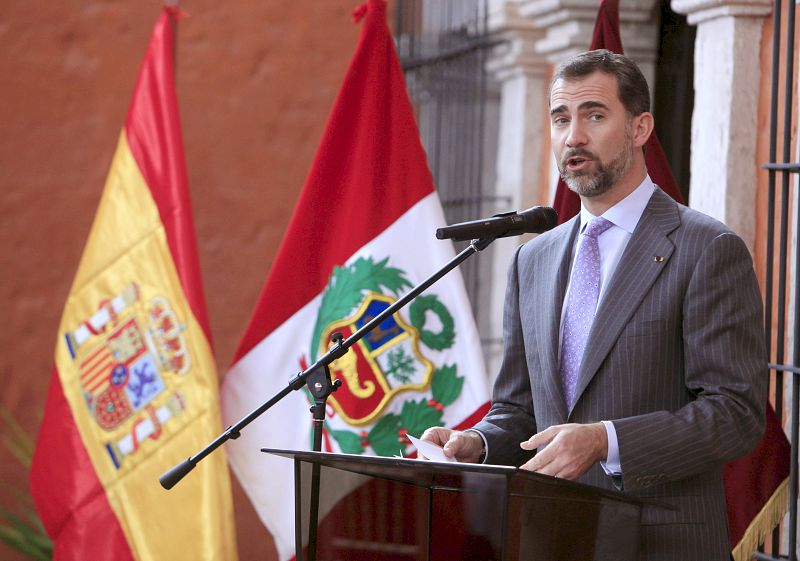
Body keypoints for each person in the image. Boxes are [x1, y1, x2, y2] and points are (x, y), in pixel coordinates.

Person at [421, 49, 767, 560]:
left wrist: (605, 441)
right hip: (551, 540)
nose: (573, 137)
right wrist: (477, 443)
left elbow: (736, 412)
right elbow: (519, 409)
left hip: (659, 543)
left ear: (640, 127)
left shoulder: (705, 249)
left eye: (595, 115)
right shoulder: (532, 260)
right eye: (561, 119)